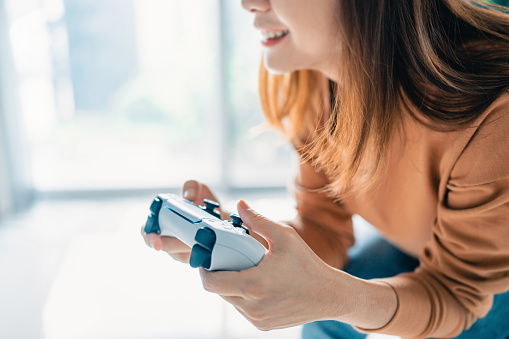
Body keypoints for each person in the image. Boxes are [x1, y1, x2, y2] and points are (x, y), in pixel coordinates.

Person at [142, 0, 509, 337]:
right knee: (326, 315)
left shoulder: (495, 115)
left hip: (493, 277)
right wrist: (248, 240)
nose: (248, 3)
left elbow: (456, 294)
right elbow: (324, 228)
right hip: (424, 243)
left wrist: (338, 298)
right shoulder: (315, 77)